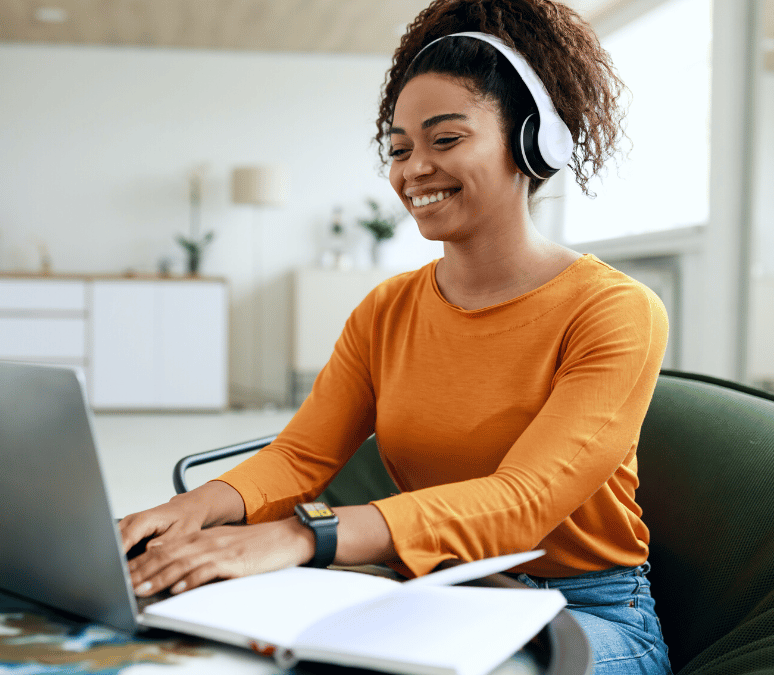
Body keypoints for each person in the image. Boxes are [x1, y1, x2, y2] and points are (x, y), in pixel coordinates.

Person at [118, 1, 672, 673]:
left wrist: (303, 534)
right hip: (434, 593)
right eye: (400, 147)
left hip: (580, 614)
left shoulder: (615, 310)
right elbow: (299, 456)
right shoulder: (387, 308)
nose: (414, 169)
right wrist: (186, 511)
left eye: (445, 140)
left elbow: (522, 502)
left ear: (532, 142)